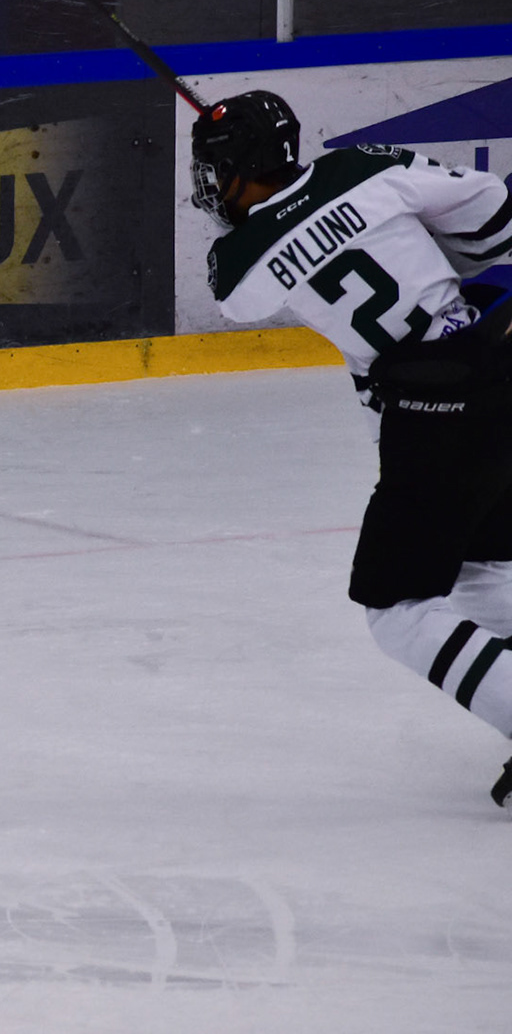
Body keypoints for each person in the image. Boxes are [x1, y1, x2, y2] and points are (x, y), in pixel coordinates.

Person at [194, 89, 512, 804]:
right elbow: (493, 212)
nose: (212, 184)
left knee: (397, 608)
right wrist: (434, 249)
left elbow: (236, 296)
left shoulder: (241, 258)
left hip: (435, 419)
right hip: (497, 371)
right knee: (480, 569)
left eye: (216, 169)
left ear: (239, 169)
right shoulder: (364, 168)